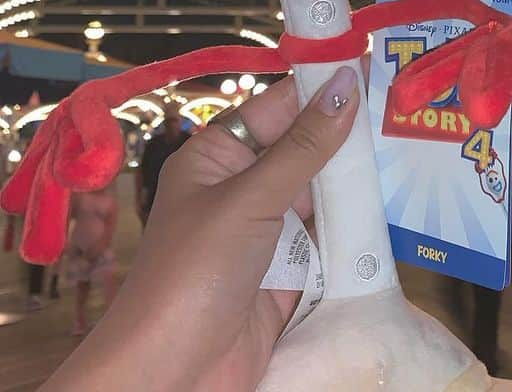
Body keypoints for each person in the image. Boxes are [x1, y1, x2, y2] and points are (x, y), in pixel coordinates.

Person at [41, 66, 359, 390]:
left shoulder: (181, 141)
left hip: (195, 210)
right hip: (170, 203)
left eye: (174, 118)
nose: (172, 122)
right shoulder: (156, 146)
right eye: (169, 118)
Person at [65, 183, 118, 336]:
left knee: (108, 282)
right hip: (80, 247)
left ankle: (111, 317)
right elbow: (66, 216)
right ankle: (79, 319)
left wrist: (101, 245)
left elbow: (110, 227)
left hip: (101, 248)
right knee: (82, 286)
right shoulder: (80, 197)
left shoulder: (110, 202)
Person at [135, 100, 189, 225]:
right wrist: (138, 199)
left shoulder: (188, 142)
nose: (171, 125)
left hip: (181, 199)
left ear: (179, 122)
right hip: (154, 199)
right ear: (164, 123)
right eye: (168, 121)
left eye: (174, 121)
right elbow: (141, 172)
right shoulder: (154, 144)